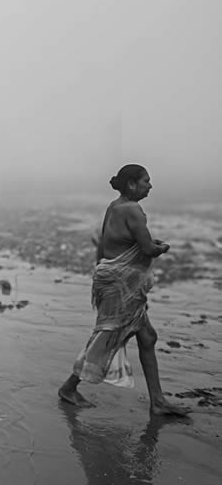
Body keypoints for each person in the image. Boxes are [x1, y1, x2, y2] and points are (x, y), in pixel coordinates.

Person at [58, 164, 190, 416]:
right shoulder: (134, 210)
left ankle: (158, 402)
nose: (150, 186)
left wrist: (151, 245)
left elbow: (113, 242)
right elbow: (148, 249)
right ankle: (68, 387)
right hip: (120, 285)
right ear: (132, 184)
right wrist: (163, 247)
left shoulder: (115, 206)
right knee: (106, 338)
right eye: (146, 181)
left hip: (117, 280)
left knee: (147, 337)